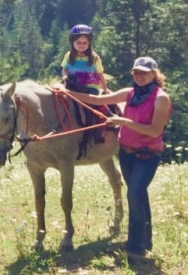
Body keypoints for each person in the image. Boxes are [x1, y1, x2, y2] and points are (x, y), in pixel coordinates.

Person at [56, 56, 172, 261]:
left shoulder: (161, 98)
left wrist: (122, 121)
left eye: (144, 72)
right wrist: (67, 93)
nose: (139, 76)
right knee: (139, 195)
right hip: (126, 154)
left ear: (154, 74)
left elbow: (154, 131)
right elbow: (97, 100)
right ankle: (146, 240)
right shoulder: (130, 93)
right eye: (136, 72)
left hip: (147, 155)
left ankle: (134, 248)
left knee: (134, 195)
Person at [62, 24, 111, 143]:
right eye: (79, 42)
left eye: (85, 42)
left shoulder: (94, 57)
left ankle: (99, 128)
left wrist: (105, 88)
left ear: (89, 43)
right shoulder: (69, 56)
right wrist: (64, 76)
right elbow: (64, 68)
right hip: (73, 86)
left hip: (91, 86)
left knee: (91, 106)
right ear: (72, 42)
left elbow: (100, 74)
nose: (82, 45)